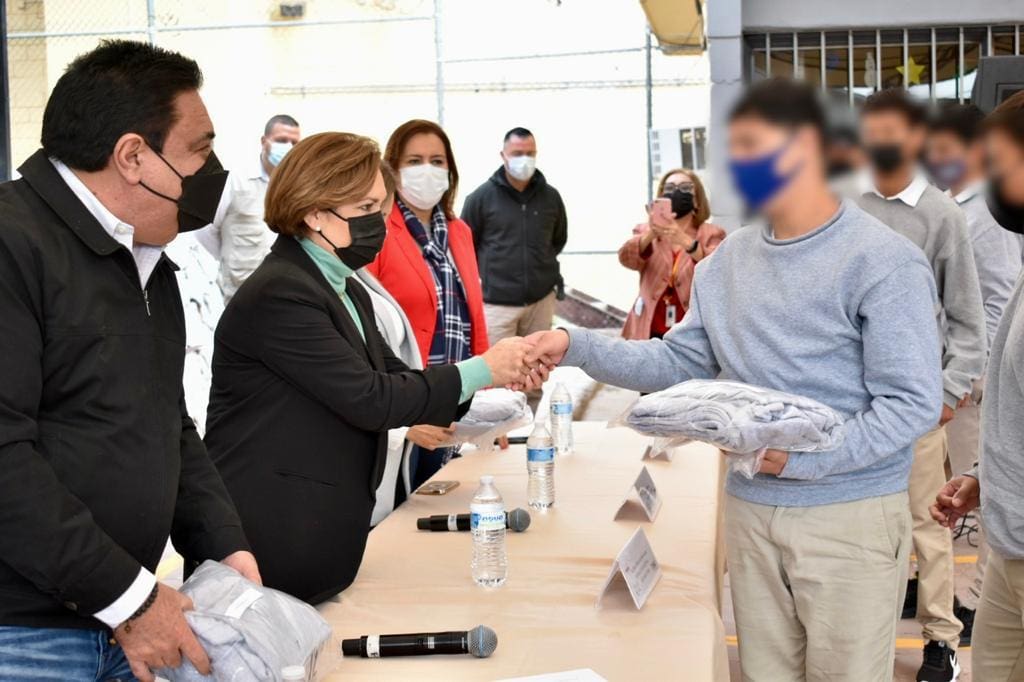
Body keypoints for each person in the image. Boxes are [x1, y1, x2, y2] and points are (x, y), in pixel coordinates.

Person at [521, 78, 942, 681]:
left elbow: (911, 403)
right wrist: (574, 345)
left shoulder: (883, 261)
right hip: (750, 507)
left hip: (849, 514)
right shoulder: (726, 264)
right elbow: (676, 361)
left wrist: (804, 461)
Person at [0, 41, 258, 682]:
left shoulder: (146, 262)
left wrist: (223, 545)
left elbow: (166, 422)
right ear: (133, 156)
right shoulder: (12, 245)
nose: (212, 172)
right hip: (26, 638)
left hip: (126, 622)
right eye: (199, 149)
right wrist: (130, 598)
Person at [201, 132, 531, 605]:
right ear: (314, 213)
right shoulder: (281, 293)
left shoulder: (344, 287)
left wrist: (496, 379)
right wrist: (483, 369)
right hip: (272, 535)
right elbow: (371, 398)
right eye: (365, 208)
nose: (380, 222)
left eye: (381, 207)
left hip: (321, 529)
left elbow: (396, 377)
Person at [855, 88, 987, 679]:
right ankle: (868, 634)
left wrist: (946, 394)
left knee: (928, 526)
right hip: (854, 407)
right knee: (863, 529)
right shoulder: (845, 207)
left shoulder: (942, 214)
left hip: (916, 406)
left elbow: (968, 320)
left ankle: (941, 640)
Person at [931, 89, 1024, 682]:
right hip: (1011, 541)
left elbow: (986, 306)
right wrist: (984, 477)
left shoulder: (986, 221)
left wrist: (967, 376)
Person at [367, 119, 490, 489]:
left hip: (457, 398)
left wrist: (488, 396)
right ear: (392, 169)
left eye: (437, 161)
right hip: (405, 403)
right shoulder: (377, 228)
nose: (427, 170)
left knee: (447, 499)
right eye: (414, 160)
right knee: (405, 501)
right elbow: (366, 324)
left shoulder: (459, 231)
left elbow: (473, 318)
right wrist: (400, 416)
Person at [461, 126, 568, 345]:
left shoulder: (551, 197)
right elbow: (465, 246)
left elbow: (558, 240)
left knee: (536, 363)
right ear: (503, 156)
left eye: (530, 153)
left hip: (540, 302)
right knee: (496, 364)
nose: (524, 160)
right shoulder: (481, 198)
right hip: (496, 305)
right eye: (517, 154)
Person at [202, 114, 301, 301]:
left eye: (294, 143)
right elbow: (205, 230)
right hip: (240, 292)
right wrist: (229, 259)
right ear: (264, 141)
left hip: (285, 294)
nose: (288, 147)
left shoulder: (298, 186)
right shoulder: (235, 180)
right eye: (281, 140)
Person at [618, 168, 725, 340]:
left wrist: (683, 239)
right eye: (669, 188)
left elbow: (718, 270)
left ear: (697, 200)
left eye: (685, 187)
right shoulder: (645, 230)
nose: (676, 192)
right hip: (648, 330)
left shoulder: (711, 233)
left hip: (691, 334)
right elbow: (626, 259)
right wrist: (651, 233)